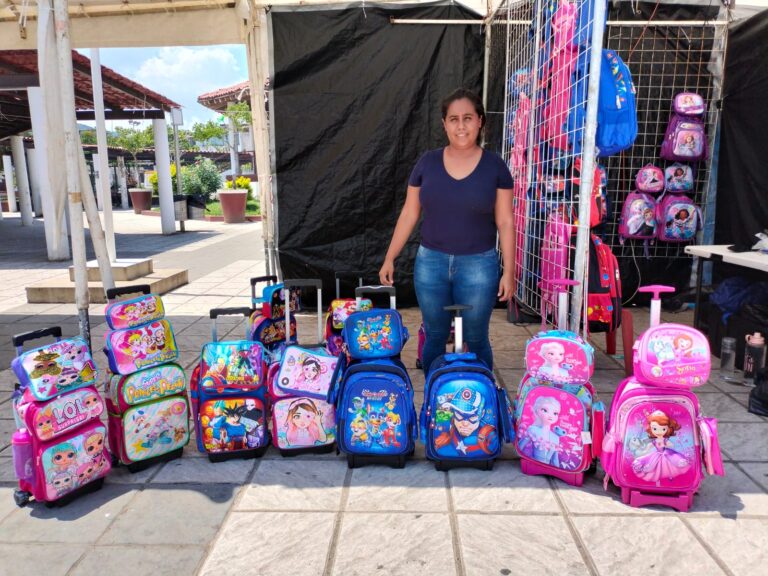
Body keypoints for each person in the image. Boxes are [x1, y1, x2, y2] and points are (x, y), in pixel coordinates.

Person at [379, 88, 515, 372]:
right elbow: (409, 212)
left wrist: (510, 272)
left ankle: (482, 404)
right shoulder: (426, 163)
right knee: (435, 336)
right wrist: (390, 257)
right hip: (431, 265)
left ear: (480, 121)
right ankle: (434, 400)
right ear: (444, 124)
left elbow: (505, 221)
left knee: (476, 338)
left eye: (468, 118)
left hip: (479, 265)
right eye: (453, 119)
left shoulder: (496, 167)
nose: (461, 125)